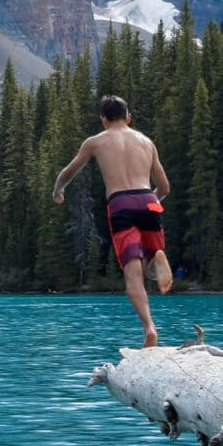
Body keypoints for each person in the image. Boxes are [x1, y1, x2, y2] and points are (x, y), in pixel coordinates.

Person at [51, 95, 174, 344]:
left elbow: (69, 171)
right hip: (147, 200)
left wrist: (58, 190)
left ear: (104, 120)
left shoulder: (96, 141)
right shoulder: (146, 142)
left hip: (120, 204)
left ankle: (149, 328)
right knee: (151, 260)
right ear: (129, 117)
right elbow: (164, 187)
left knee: (132, 274)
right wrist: (152, 201)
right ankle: (155, 259)